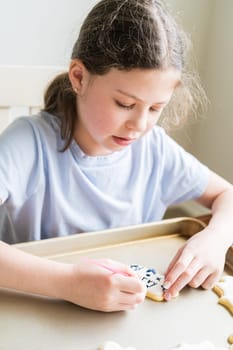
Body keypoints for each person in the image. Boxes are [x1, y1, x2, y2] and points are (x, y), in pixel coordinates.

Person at [0, 0, 232, 312]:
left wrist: (216, 238)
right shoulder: (27, 144)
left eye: (155, 108)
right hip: (35, 309)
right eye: (124, 104)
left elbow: (227, 194)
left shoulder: (155, 150)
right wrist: (67, 282)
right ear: (79, 77)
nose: (139, 125)